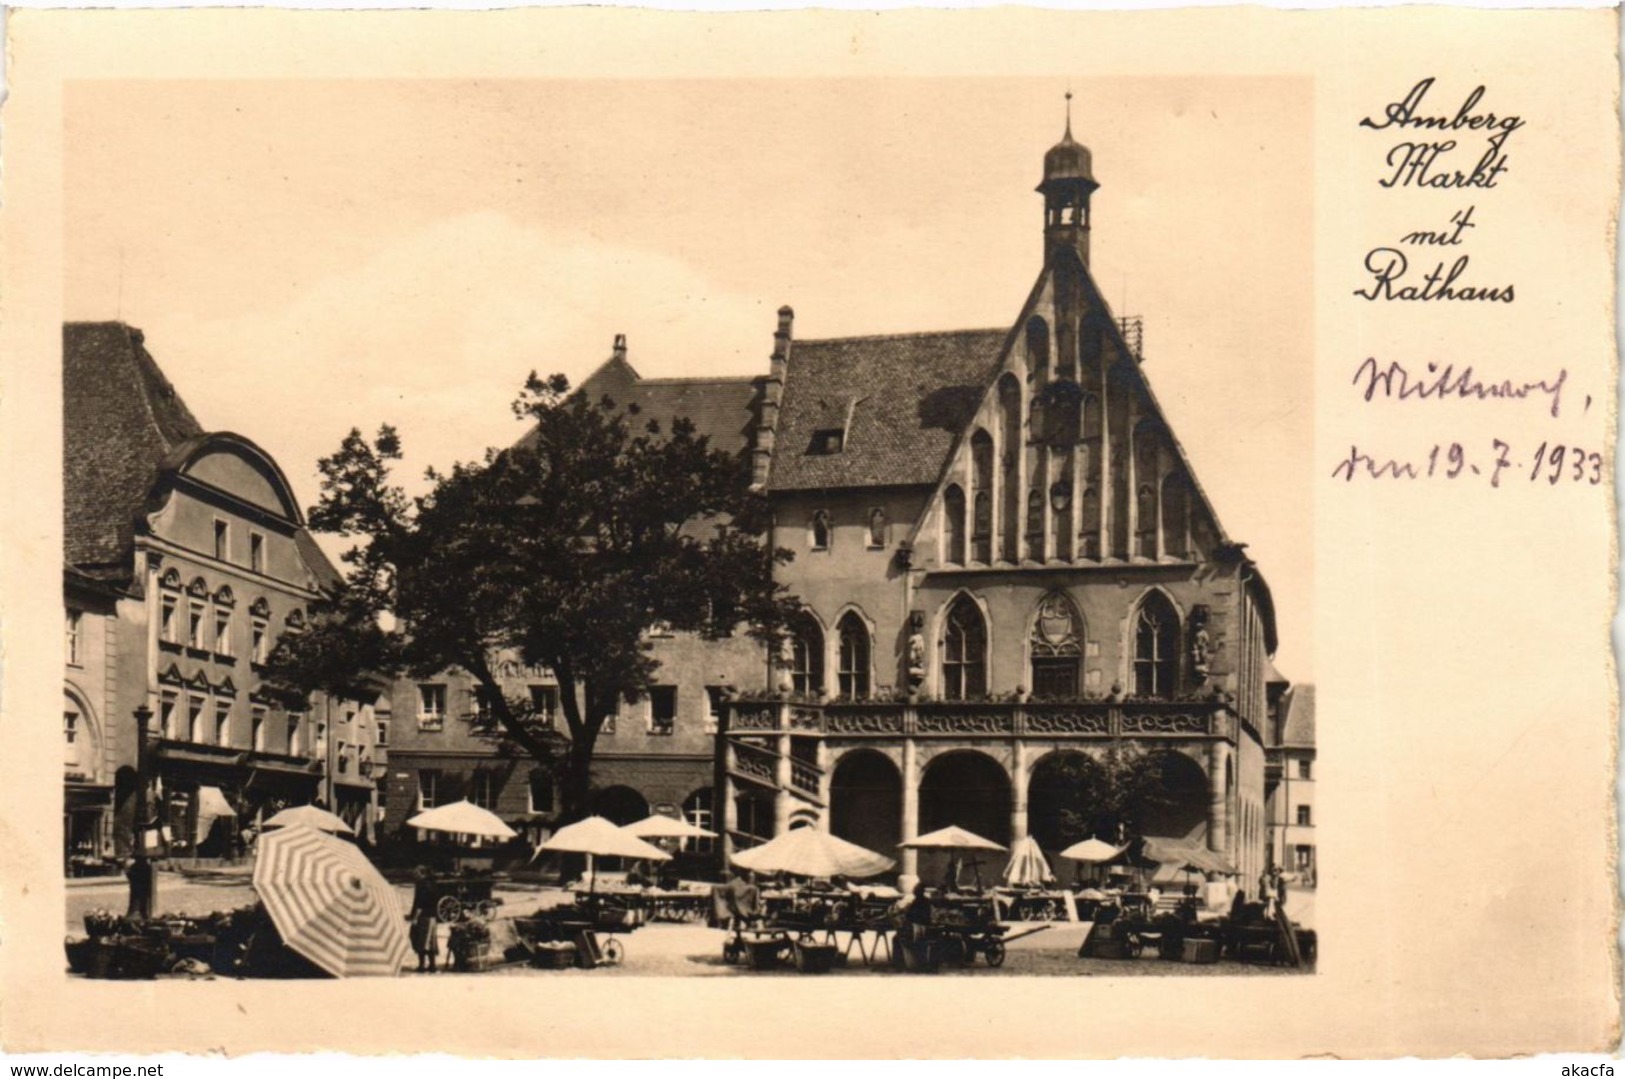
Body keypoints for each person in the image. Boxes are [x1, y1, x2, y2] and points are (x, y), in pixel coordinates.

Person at [407, 866, 440, 972]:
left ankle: (422, 965)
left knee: (420, 940)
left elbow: (420, 902)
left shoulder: (421, 885)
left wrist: (415, 917)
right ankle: (432, 965)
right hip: (433, 916)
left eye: (416, 873)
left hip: (423, 916)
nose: (414, 876)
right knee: (431, 941)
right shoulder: (433, 883)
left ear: (421, 873)